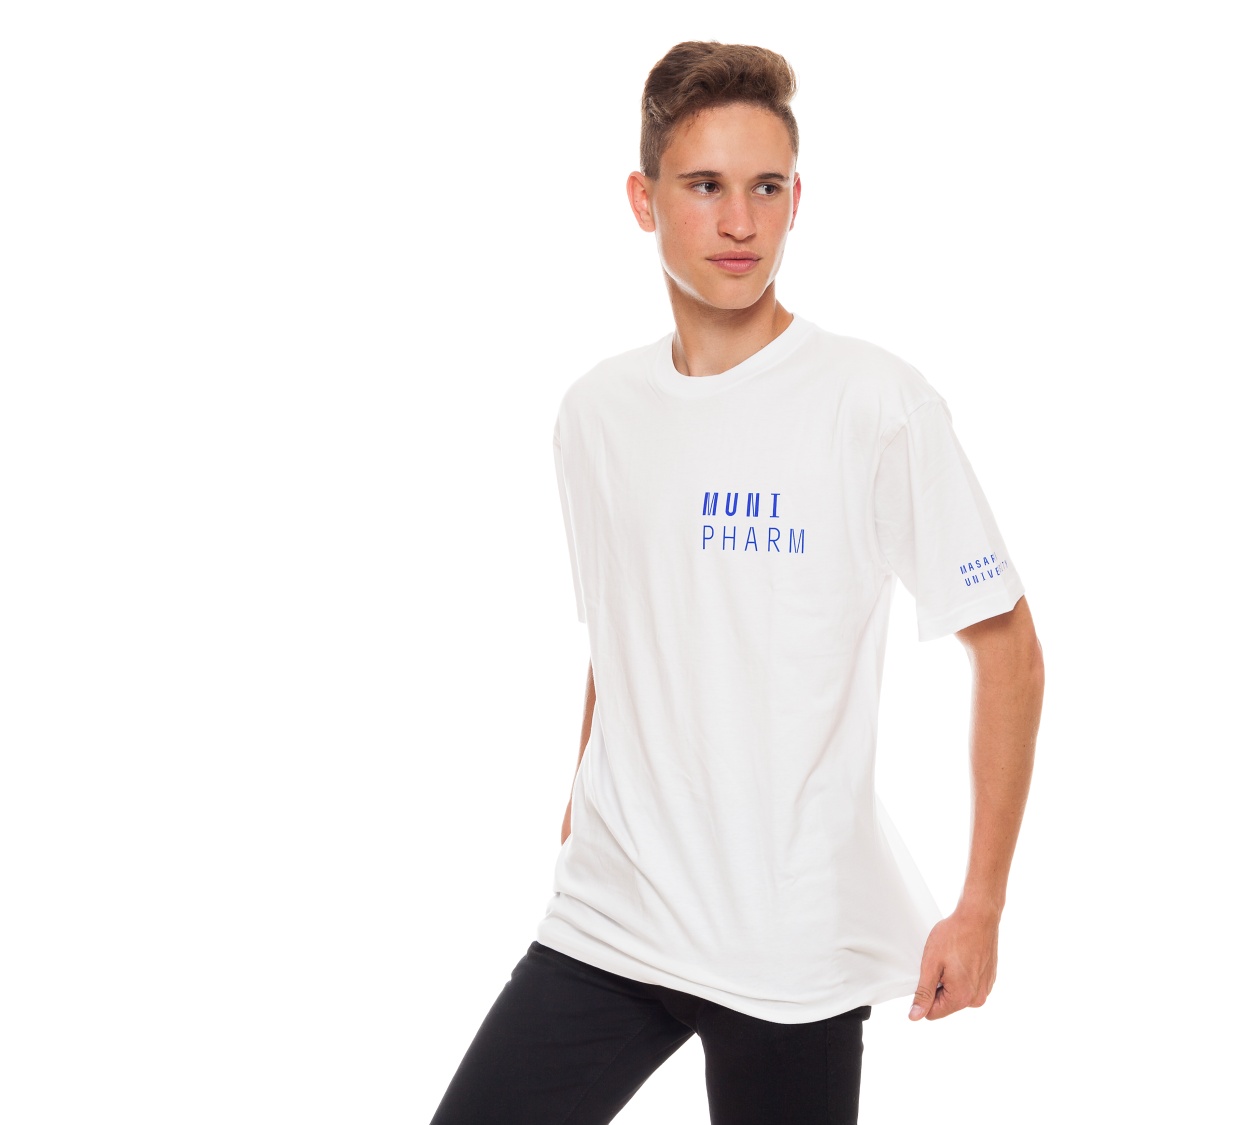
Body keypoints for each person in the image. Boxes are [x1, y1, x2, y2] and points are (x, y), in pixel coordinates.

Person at [429, 40, 1044, 1125]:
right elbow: (627, 624)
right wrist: (582, 795)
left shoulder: (874, 403)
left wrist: (981, 904)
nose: (740, 223)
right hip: (613, 915)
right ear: (643, 199)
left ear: (798, 198)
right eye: (705, 186)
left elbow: (1009, 653)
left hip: (788, 947)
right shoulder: (595, 414)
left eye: (767, 188)